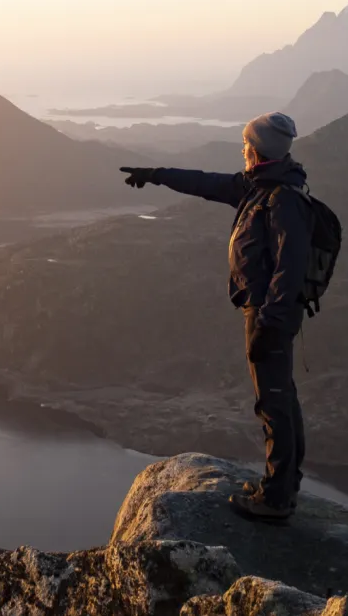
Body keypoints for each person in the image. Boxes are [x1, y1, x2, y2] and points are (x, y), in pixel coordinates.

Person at [120, 112, 312, 521]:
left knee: (273, 401)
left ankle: (276, 498)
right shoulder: (258, 187)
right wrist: (155, 174)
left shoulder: (282, 200)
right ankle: (285, 482)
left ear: (259, 151)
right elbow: (204, 182)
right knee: (281, 396)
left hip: (269, 312)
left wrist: (270, 323)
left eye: (246, 144)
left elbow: (290, 268)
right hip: (265, 309)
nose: (241, 150)